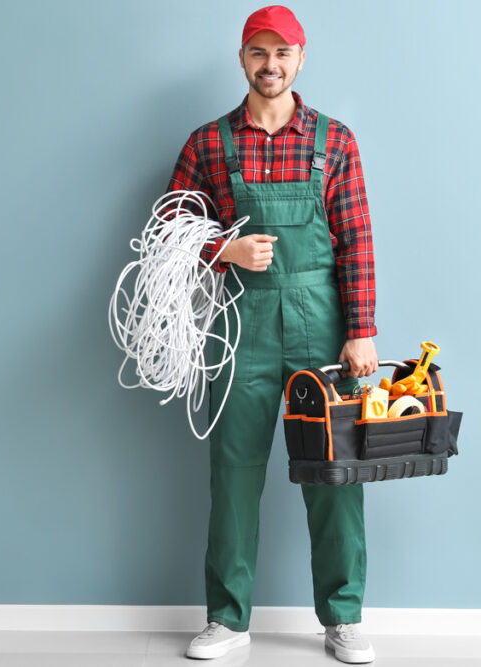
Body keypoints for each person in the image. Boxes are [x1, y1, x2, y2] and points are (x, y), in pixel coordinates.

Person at [165, 6, 379, 664]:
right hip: (239, 323)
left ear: (301, 59)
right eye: (259, 52)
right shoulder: (209, 143)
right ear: (242, 59)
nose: (271, 64)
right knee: (233, 472)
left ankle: (342, 616)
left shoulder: (334, 141)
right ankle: (228, 619)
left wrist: (363, 330)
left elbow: (356, 242)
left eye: (282, 52)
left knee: (336, 472)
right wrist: (221, 253)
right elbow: (168, 232)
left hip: (323, 323)